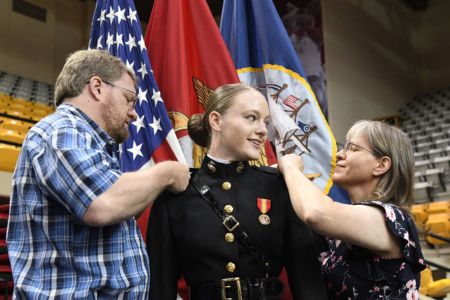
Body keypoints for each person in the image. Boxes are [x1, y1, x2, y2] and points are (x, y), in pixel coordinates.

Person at [6, 49, 190, 299]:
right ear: (97, 87)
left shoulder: (89, 142)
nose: (134, 113)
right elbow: (102, 204)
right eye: (129, 99)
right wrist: (167, 172)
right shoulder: (62, 131)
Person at [147, 83, 328, 300]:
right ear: (216, 120)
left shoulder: (278, 187)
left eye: (265, 122)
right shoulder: (177, 195)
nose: (263, 130)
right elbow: (159, 288)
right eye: (251, 117)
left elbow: (307, 281)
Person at [278, 120, 426, 299]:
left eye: (353, 148)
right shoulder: (344, 225)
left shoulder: (392, 219)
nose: (340, 154)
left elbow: (315, 213)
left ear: (381, 165)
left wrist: (291, 168)